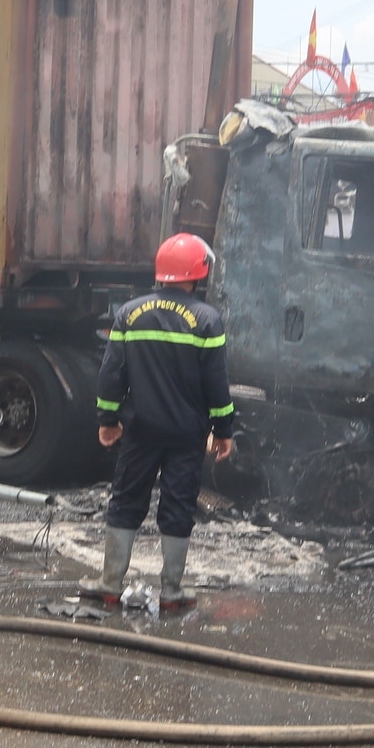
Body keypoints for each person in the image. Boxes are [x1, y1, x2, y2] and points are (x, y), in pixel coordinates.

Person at [88, 233, 236, 609]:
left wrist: (108, 419)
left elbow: (111, 375)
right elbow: (216, 384)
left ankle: (109, 584)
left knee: (125, 500)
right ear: (198, 272)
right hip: (187, 434)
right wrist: (223, 431)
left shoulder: (129, 313)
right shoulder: (207, 320)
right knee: (178, 505)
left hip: (140, 431)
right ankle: (172, 591)